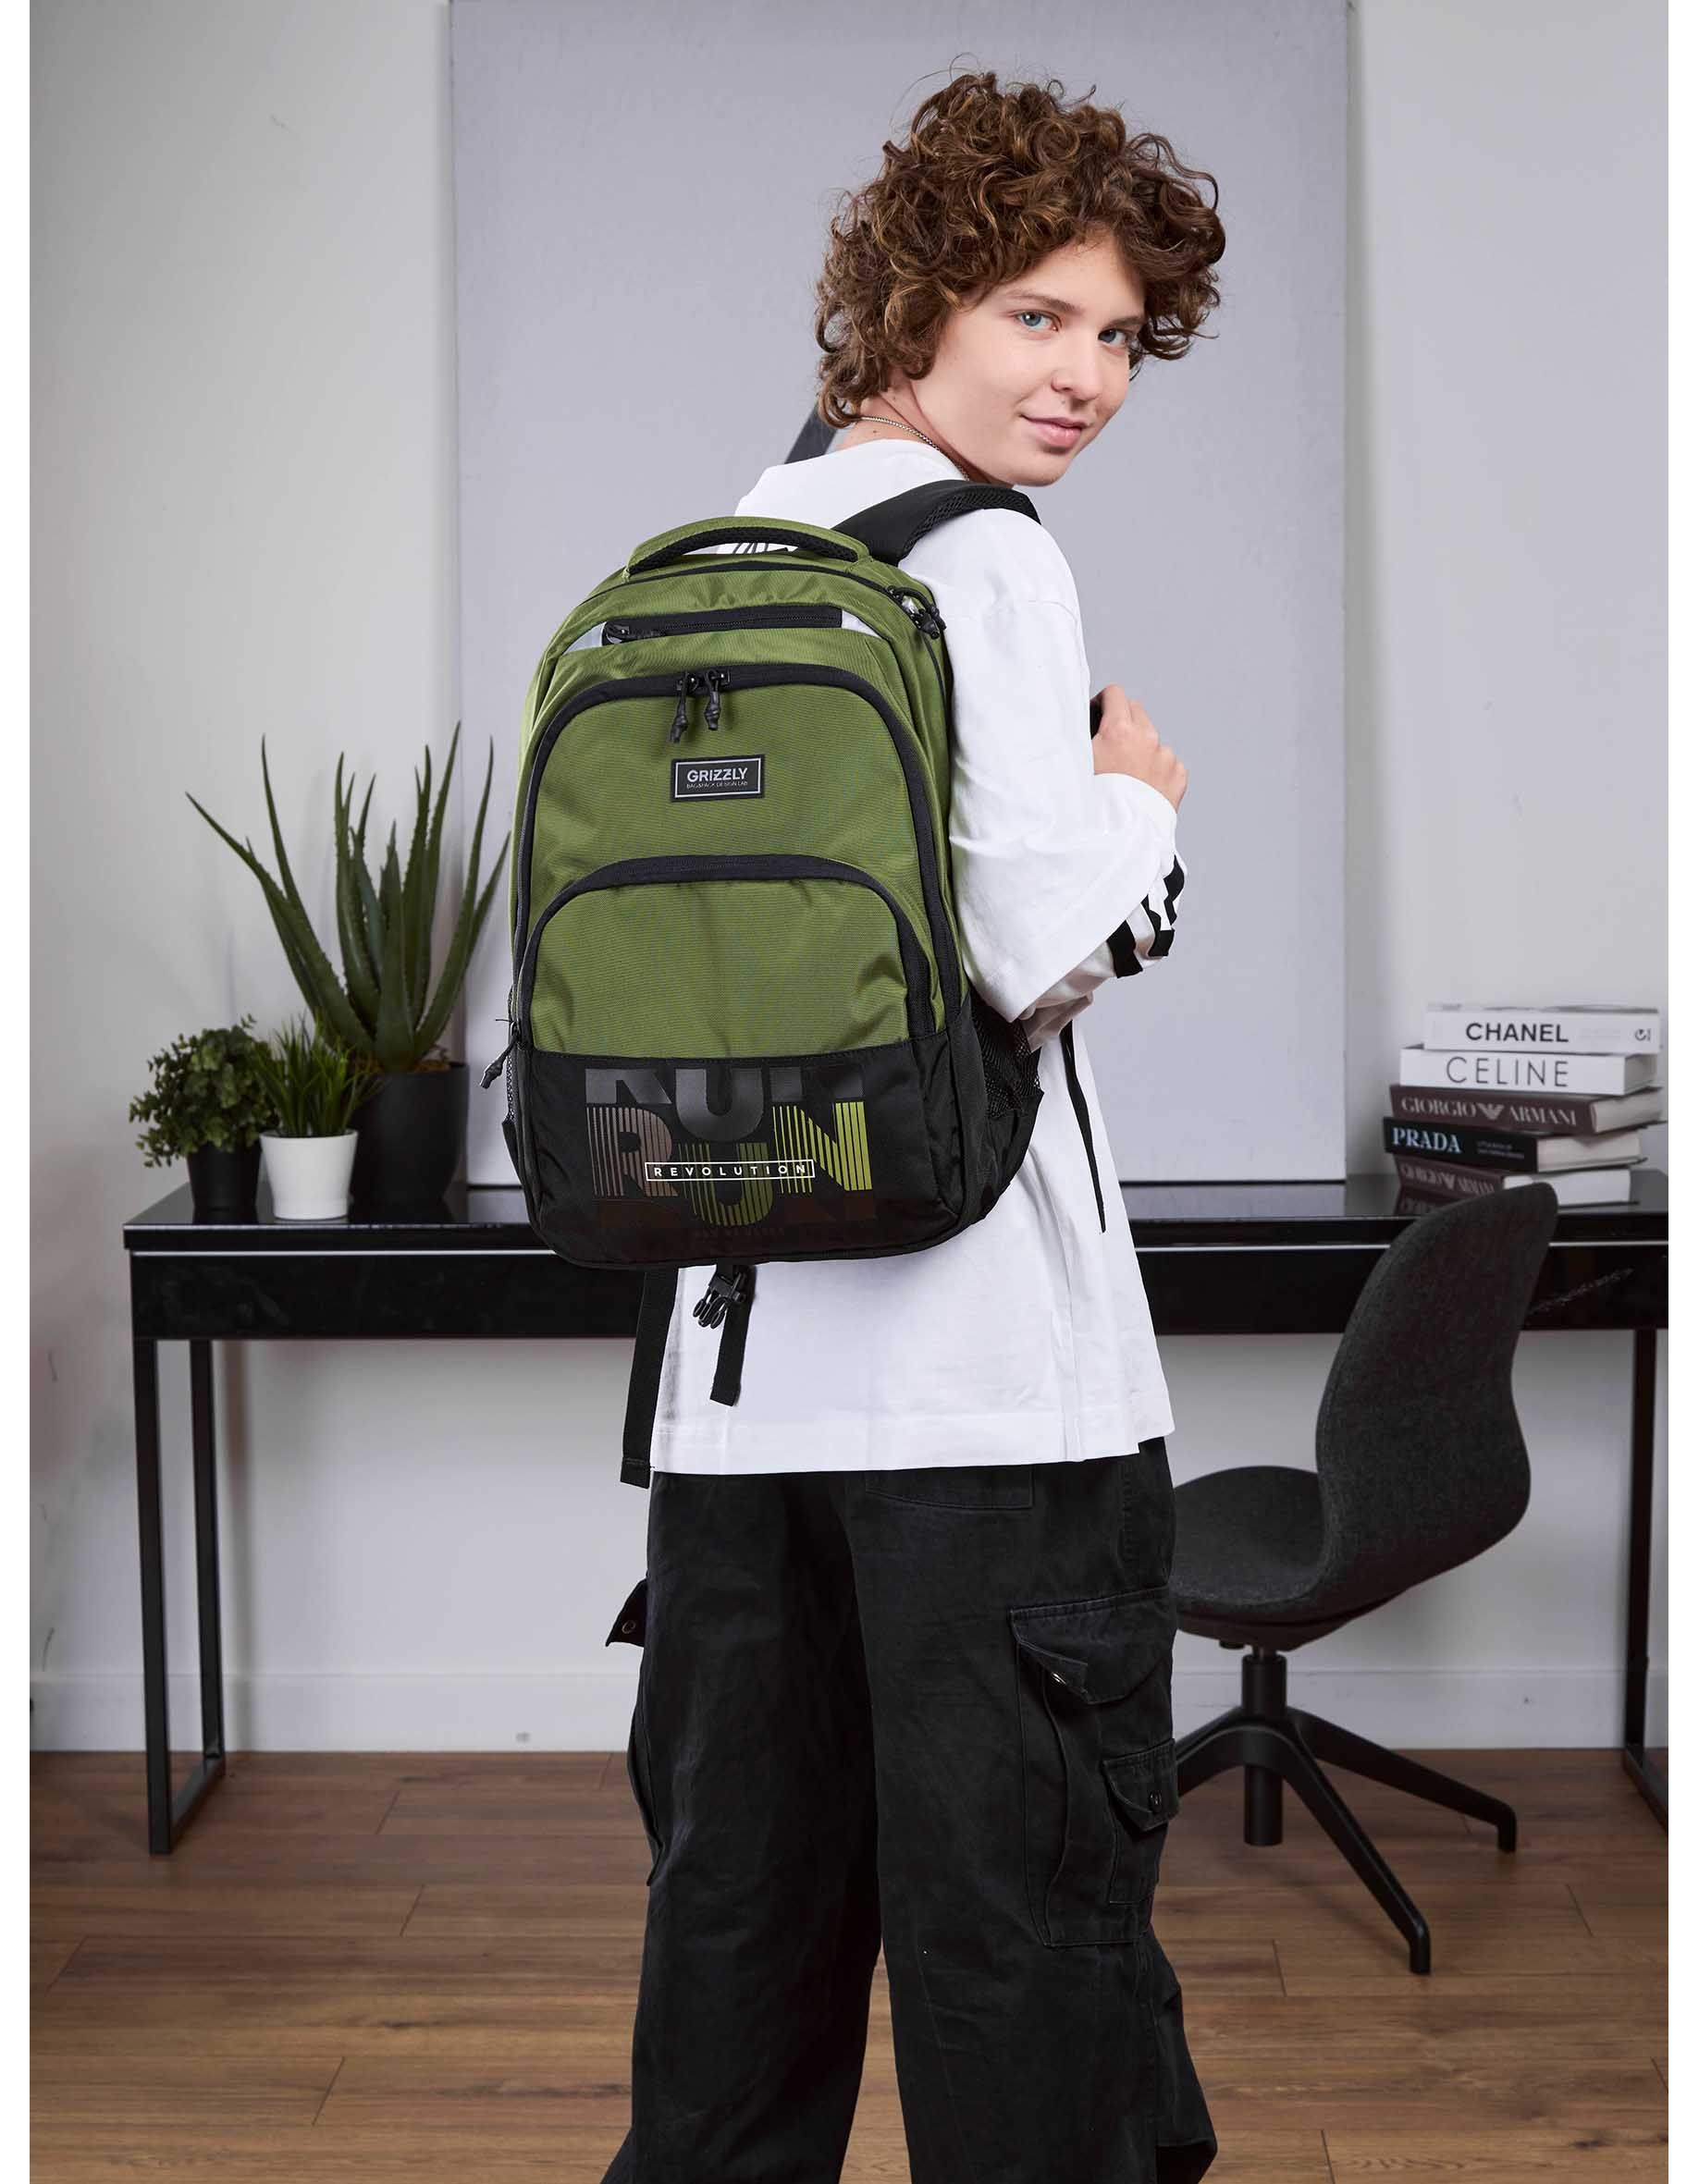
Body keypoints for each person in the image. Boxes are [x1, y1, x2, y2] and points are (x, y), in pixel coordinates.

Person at [602, 69, 1226, 2184]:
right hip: (982, 1389)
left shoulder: (728, 537)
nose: (1086, 379)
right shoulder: (984, 558)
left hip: (730, 1376)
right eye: (1036, 316)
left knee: (737, 1927)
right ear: (915, 303)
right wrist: (1139, 797)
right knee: (1021, 1935)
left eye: (1119, 336)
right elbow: (1043, 943)